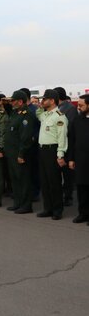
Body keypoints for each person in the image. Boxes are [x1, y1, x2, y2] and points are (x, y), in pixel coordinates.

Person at [36, 89, 68, 220]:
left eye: (44, 99)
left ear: (52, 100)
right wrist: (40, 106)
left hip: (52, 150)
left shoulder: (59, 116)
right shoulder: (45, 114)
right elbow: (38, 114)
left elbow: (62, 137)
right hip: (42, 150)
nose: (42, 101)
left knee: (54, 181)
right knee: (45, 181)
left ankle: (57, 210)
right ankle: (47, 208)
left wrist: (60, 154)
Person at [4, 90, 37, 214]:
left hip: (20, 153)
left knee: (23, 179)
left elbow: (26, 137)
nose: (11, 103)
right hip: (11, 152)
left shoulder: (26, 114)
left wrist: (21, 154)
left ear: (20, 101)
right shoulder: (14, 113)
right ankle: (17, 202)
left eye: (13, 101)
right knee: (15, 179)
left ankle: (26, 205)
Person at [54, 87, 78, 207]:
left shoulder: (70, 109)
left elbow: (70, 128)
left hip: (67, 145)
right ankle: (61, 195)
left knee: (67, 174)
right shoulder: (56, 108)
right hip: (57, 145)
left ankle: (68, 196)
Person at [68, 94, 89, 225]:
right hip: (80, 160)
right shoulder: (77, 120)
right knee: (81, 189)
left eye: (81, 105)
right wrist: (70, 159)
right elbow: (72, 140)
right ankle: (83, 213)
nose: (79, 107)